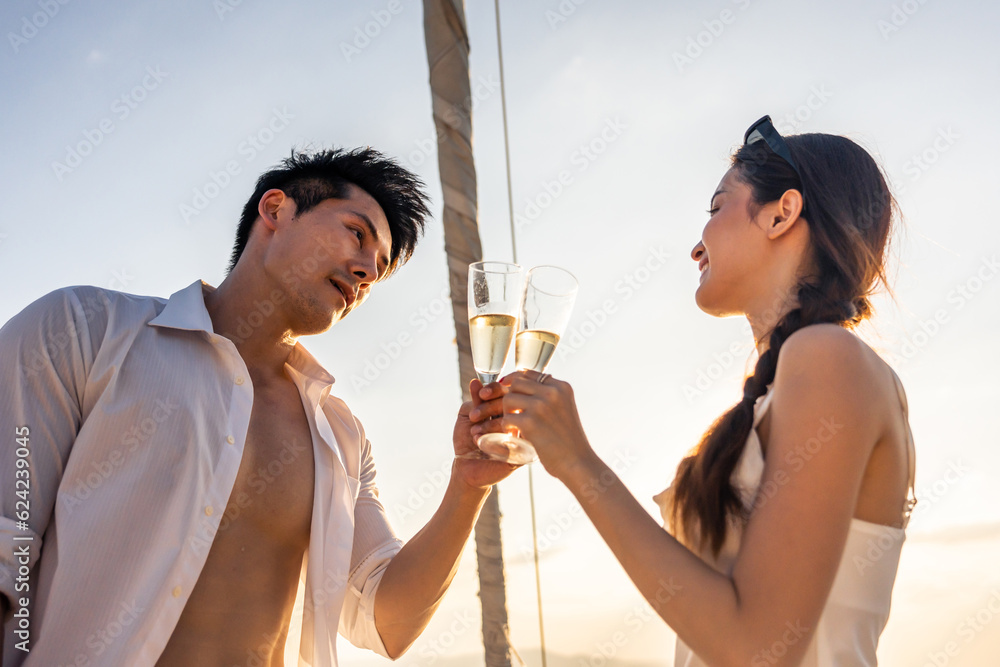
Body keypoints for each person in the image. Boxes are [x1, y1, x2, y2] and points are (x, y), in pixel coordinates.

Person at [0, 147, 515, 666]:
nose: (364, 272)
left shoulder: (342, 436)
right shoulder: (80, 329)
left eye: (377, 271)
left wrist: (468, 486)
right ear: (275, 210)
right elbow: (6, 540)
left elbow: (385, 620)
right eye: (357, 234)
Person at [480, 116, 917, 666]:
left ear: (782, 213)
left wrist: (577, 462)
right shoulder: (792, 382)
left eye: (716, 208)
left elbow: (757, 650)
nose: (696, 245)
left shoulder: (828, 358)